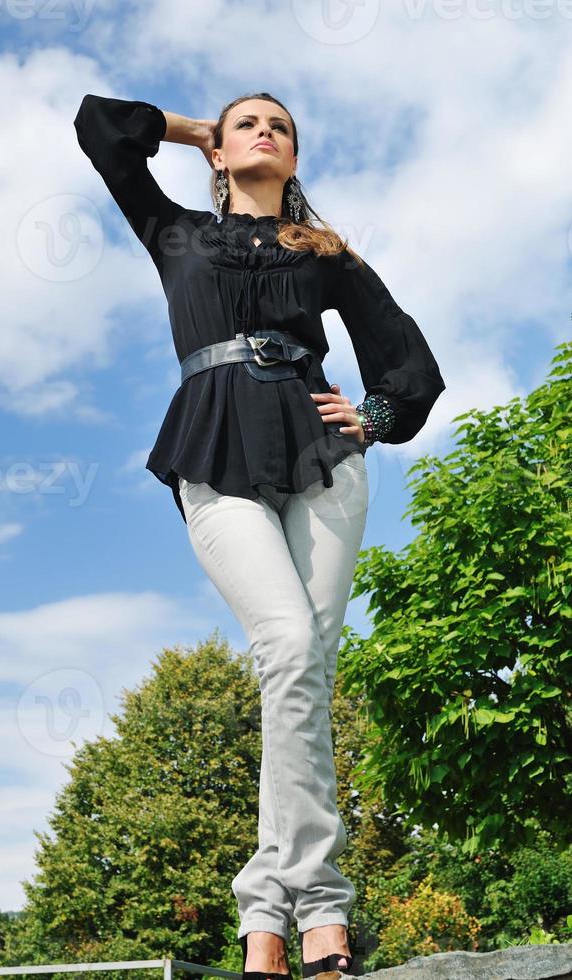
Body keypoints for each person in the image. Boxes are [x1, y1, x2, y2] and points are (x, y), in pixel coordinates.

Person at [73, 90, 446, 980]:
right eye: (249, 122)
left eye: (280, 125)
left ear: (297, 156)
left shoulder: (325, 254)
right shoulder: (174, 233)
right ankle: (315, 903)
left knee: (303, 669)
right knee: (284, 643)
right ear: (218, 151)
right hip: (214, 450)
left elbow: (407, 357)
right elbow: (98, 125)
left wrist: (375, 416)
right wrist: (197, 131)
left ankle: (268, 926)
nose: (264, 132)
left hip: (322, 458)